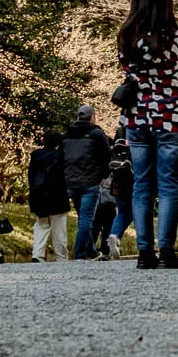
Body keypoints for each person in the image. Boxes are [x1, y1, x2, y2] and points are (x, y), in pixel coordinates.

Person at [116, 0, 178, 271]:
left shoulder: (127, 36)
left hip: (138, 117)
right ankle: (166, 250)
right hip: (171, 117)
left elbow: (127, 68)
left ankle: (144, 253)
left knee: (141, 185)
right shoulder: (177, 39)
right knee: (168, 185)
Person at [63, 104, 112, 260]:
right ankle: (80, 252)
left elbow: (61, 157)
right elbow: (106, 155)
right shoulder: (96, 133)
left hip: (71, 180)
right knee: (86, 218)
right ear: (92, 117)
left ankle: (91, 251)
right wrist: (104, 175)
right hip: (90, 181)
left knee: (82, 216)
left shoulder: (67, 134)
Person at [28, 130, 71, 262]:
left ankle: (37, 253)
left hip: (39, 196)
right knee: (59, 229)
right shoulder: (60, 156)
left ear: (43, 141)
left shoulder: (35, 156)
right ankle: (61, 256)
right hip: (57, 196)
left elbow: (31, 176)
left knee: (41, 225)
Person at [104, 142, 133, 260]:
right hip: (134, 181)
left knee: (122, 213)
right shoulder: (141, 132)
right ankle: (147, 244)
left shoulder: (118, 138)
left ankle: (114, 235)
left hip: (118, 182)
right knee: (140, 212)